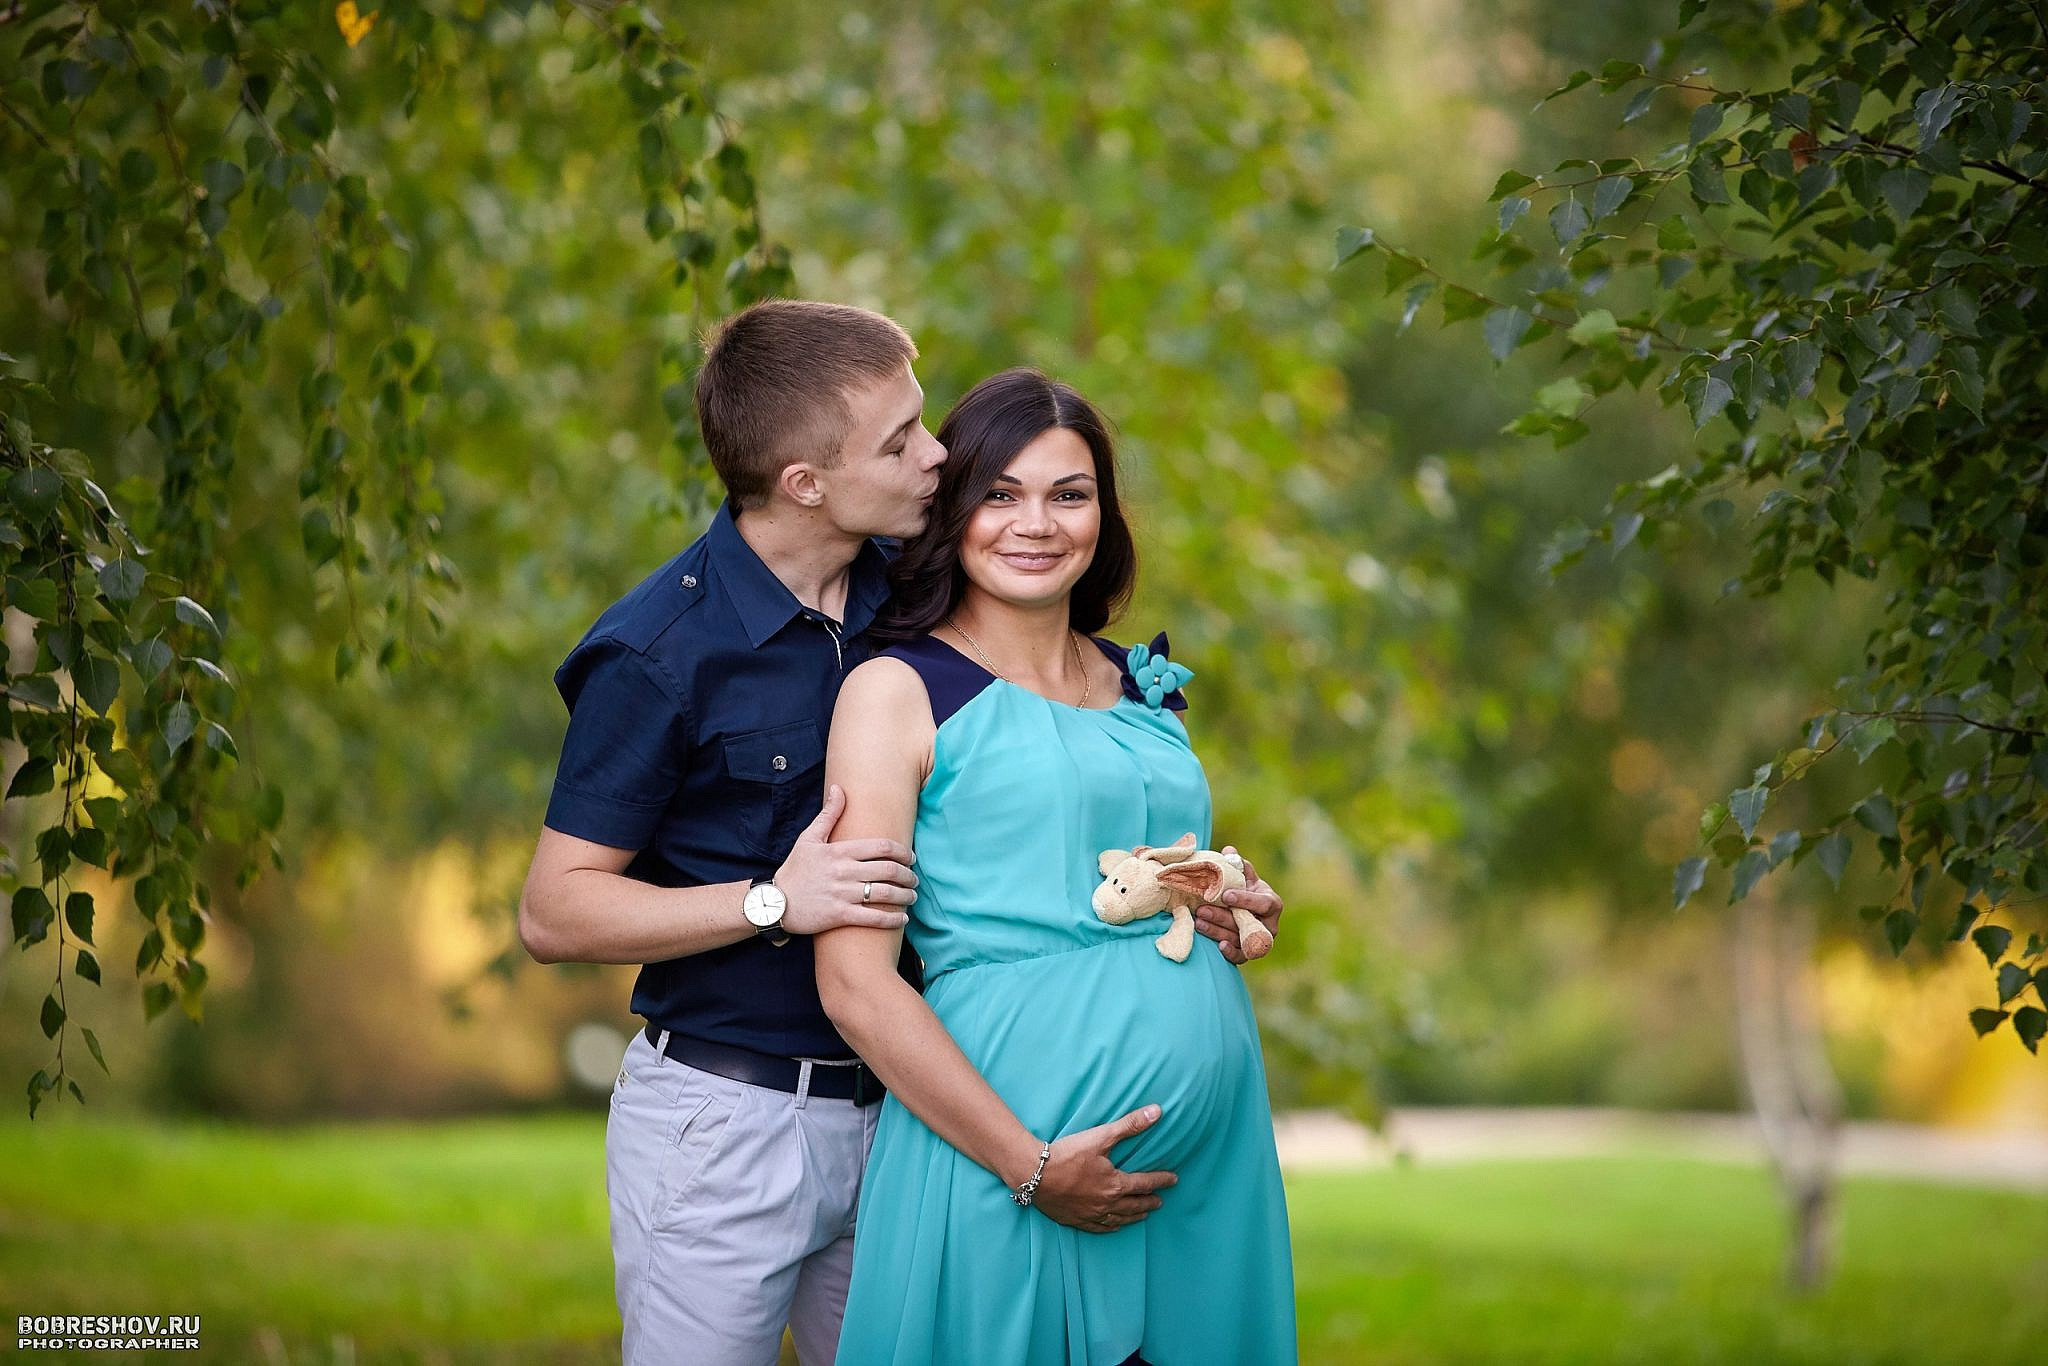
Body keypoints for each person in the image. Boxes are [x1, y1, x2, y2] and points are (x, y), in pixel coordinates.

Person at [518, 302, 1282, 1366]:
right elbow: (553, 909)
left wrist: (1189, 898)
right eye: (902, 441)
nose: (938, 459)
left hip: (907, 1112)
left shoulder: (904, 600)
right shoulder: (660, 651)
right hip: (733, 1111)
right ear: (804, 482)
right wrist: (775, 900)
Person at [815, 368, 1297, 1365]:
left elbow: (1149, 869)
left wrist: (1233, 905)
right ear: (952, 512)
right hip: (1006, 1160)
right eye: (1000, 493)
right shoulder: (894, 690)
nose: (1035, 524)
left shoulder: (1142, 683)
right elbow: (854, 982)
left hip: (1207, 1175)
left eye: (1067, 494)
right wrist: (1029, 1165)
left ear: (1102, 514)